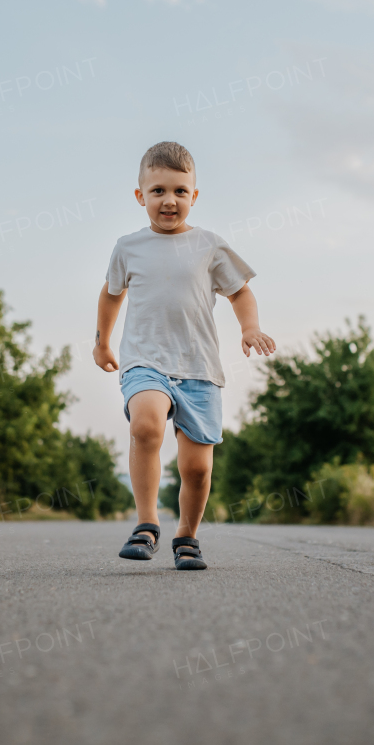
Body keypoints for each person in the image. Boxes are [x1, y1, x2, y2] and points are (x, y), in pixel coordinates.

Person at [92, 141, 275, 570]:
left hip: (199, 369)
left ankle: (187, 536)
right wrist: (102, 340)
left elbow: (240, 291)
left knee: (196, 468)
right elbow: (111, 294)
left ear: (194, 195)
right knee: (146, 425)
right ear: (141, 197)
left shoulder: (210, 245)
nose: (168, 200)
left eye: (179, 191)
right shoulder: (128, 247)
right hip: (145, 361)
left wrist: (249, 327)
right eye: (157, 191)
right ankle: (147, 523)